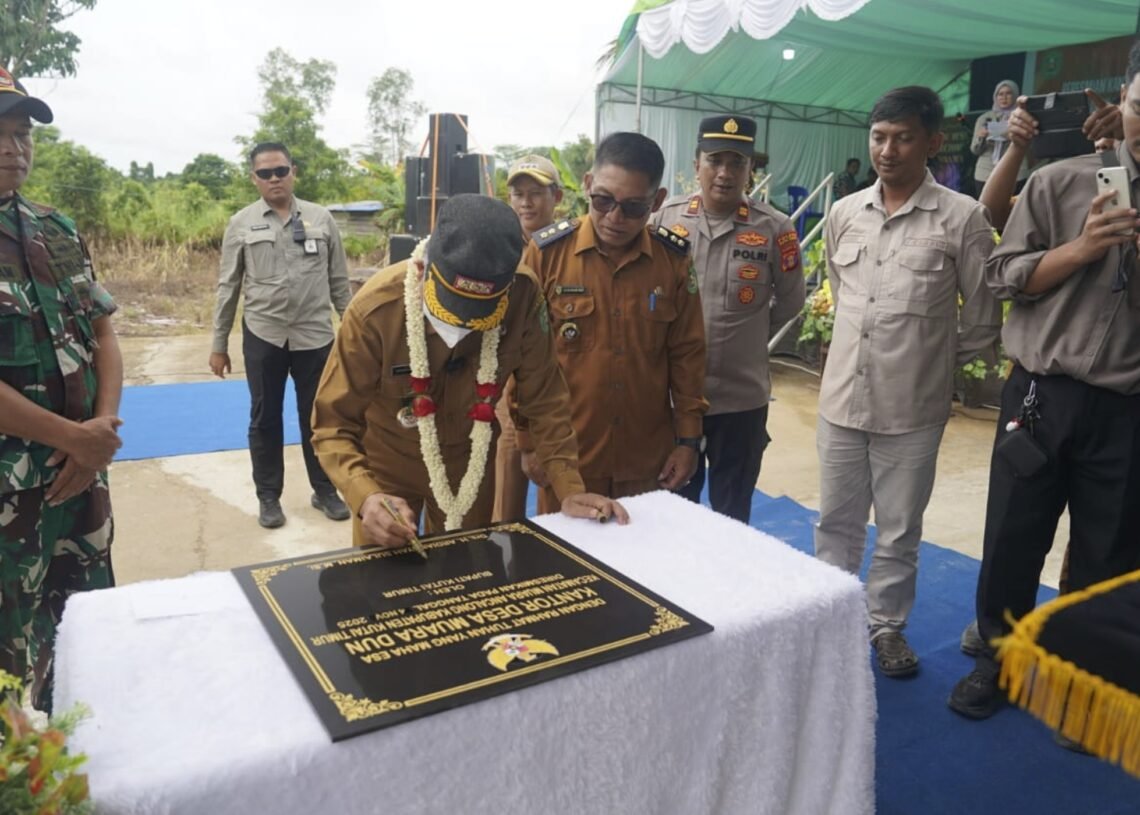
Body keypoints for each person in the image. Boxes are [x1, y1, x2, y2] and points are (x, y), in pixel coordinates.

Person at [948, 43, 1140, 720]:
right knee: (1012, 536)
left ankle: (1076, 679)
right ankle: (1001, 659)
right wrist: (1082, 248)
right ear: (1123, 101)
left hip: (1127, 408)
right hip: (1041, 394)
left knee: (1108, 550)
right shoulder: (1061, 183)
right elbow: (1003, 275)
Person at [310, 194, 627, 547]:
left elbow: (546, 398)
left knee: (468, 573)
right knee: (382, 587)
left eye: (480, 314)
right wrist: (364, 495)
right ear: (423, 270)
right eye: (451, 307)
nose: (463, 325)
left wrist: (569, 486)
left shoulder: (523, 296)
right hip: (386, 466)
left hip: (469, 466)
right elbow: (331, 425)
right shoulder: (375, 312)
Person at [814, 86, 1001, 679]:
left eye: (902, 137)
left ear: (932, 142)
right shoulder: (844, 213)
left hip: (913, 410)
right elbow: (842, 295)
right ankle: (829, 616)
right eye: (879, 137)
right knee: (835, 522)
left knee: (898, 530)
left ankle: (886, 627)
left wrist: (929, 367)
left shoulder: (962, 217)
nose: (887, 150)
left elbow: (981, 319)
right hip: (841, 399)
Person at [0, 68, 123, 710]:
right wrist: (74, 439)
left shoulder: (56, 228)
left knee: (88, 634)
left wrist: (96, 438)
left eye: (22, 133)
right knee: (7, 657)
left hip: (80, 483)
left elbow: (103, 337)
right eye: (0, 131)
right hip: (10, 492)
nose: (14, 146)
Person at [518, 132, 708, 512]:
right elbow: (522, 360)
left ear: (657, 201)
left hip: (646, 465)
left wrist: (688, 442)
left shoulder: (672, 262)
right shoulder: (547, 255)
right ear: (588, 185)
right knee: (566, 567)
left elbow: (688, 356)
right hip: (568, 462)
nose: (614, 218)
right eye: (603, 201)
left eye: (634, 207)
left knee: (640, 569)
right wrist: (528, 443)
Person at [651, 116, 805, 523]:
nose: (724, 173)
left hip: (741, 401)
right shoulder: (664, 220)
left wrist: (745, 336)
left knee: (732, 514)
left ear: (750, 168)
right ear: (696, 162)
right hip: (672, 399)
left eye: (736, 162)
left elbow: (790, 303)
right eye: (715, 160)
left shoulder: (775, 228)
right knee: (669, 510)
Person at [210, 142, 352, 529]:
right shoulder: (241, 223)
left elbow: (339, 282)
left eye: (281, 171)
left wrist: (354, 332)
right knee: (265, 418)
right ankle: (268, 497)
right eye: (265, 173)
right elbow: (229, 286)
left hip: (315, 337)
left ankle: (324, 490)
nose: (275, 179)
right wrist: (218, 344)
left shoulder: (322, 219)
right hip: (264, 335)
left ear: (293, 171)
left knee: (320, 417)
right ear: (254, 178)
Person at [493, 155, 563, 522]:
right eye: (517, 193)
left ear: (558, 197)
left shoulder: (569, 250)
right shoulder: (493, 246)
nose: (525, 202)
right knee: (502, 503)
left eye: (536, 193)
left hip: (557, 393)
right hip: (506, 393)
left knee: (557, 504)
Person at [971, 79, 1030, 188]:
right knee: (985, 205)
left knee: (1014, 204)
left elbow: (1027, 141)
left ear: (1015, 95)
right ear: (995, 97)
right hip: (985, 171)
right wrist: (981, 137)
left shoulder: (1022, 116)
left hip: (1015, 170)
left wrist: (1003, 132)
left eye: (1008, 93)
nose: (1004, 97)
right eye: (1000, 94)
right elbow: (975, 150)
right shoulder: (983, 118)